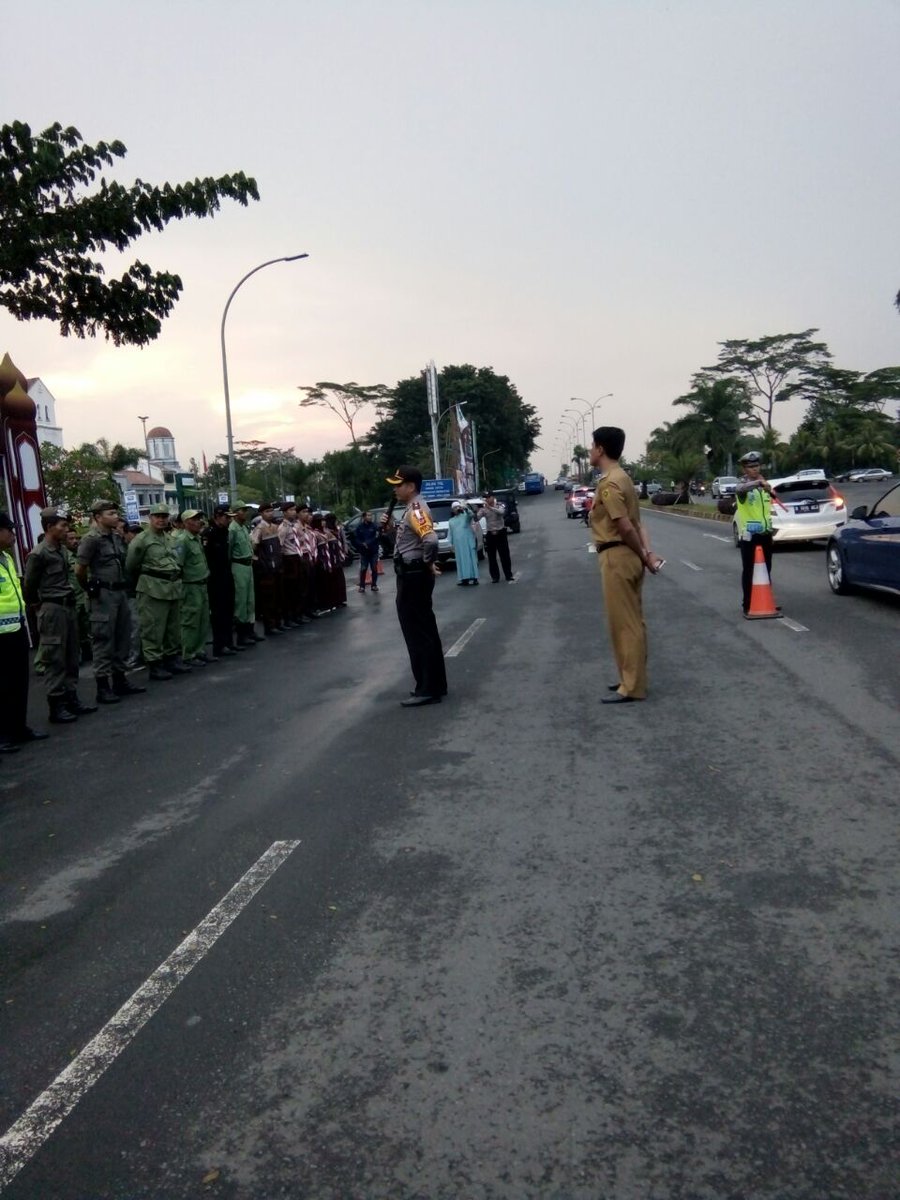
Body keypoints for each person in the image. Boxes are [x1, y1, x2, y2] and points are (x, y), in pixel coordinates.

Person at [588, 426, 664, 705]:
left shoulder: (609, 483)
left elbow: (624, 526)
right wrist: (647, 552)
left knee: (624, 624)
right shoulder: (624, 478)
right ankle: (630, 678)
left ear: (601, 449)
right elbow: (638, 523)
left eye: (592, 445)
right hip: (627, 556)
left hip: (617, 556)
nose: (590, 451)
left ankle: (632, 686)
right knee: (631, 620)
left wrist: (644, 554)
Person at [23, 508, 98, 723]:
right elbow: (29, 587)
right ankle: (56, 705)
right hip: (52, 609)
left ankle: (71, 697)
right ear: (49, 527)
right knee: (55, 658)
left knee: (71, 655)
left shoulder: (62, 551)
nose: (67, 530)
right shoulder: (39, 554)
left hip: (67, 607)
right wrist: (39, 605)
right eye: (62, 526)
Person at [382, 465, 447, 707]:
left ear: (411, 486)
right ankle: (433, 684)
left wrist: (429, 563)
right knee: (425, 630)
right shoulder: (411, 509)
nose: (395, 489)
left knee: (418, 633)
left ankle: (428, 688)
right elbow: (405, 543)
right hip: (411, 574)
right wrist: (388, 529)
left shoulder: (417, 509)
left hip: (413, 577)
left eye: (398, 485)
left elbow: (429, 539)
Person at [76, 499, 145, 704]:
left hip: (120, 593)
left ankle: (120, 680)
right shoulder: (91, 539)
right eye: (111, 513)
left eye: (116, 513)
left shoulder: (115, 537)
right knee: (103, 640)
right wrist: (89, 588)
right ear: (98, 517)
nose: (116, 516)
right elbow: (80, 570)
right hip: (103, 594)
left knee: (122, 637)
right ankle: (103, 687)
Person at [0, 511, 48, 750]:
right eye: (10, 530)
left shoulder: (6, 558)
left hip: (15, 629)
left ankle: (18, 727)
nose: (13, 534)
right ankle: (4, 734)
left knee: (18, 682)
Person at [126, 503, 189, 680]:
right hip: (152, 588)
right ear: (150, 518)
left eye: (164, 516)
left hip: (172, 587)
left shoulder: (169, 538)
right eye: (157, 516)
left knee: (172, 627)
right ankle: (154, 664)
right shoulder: (141, 539)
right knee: (153, 628)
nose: (161, 519)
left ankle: (172, 659)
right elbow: (131, 565)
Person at [734, 451, 777, 616]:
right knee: (749, 569)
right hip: (749, 535)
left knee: (767, 569)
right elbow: (740, 489)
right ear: (744, 469)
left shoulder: (764, 487)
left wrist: (765, 486)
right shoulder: (744, 487)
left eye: (756, 466)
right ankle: (748, 603)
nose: (754, 469)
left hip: (765, 533)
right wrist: (759, 483)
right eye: (750, 467)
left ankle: (765, 599)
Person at [174, 509, 213, 664]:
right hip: (190, 586)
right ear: (185, 523)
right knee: (190, 621)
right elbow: (178, 565)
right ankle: (188, 653)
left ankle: (199, 650)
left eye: (199, 519)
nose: (199, 522)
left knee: (203, 619)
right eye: (195, 519)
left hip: (202, 584)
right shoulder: (182, 540)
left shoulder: (196, 538)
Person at [203, 505, 238, 655]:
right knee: (218, 612)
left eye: (230, 517)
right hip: (215, 577)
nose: (229, 520)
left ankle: (228, 641)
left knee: (229, 609)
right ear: (217, 516)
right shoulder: (209, 533)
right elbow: (207, 557)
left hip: (226, 573)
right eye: (226, 517)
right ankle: (219, 645)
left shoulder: (225, 532)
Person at [250, 502, 285, 636]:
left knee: (277, 597)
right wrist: (261, 564)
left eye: (271, 511)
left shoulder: (276, 527)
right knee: (268, 599)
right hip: (266, 569)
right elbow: (253, 548)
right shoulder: (259, 529)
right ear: (261, 514)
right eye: (267, 511)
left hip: (276, 566)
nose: (270, 513)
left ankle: (277, 623)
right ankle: (269, 626)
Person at [229, 502, 258, 647]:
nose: (245, 513)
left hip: (248, 565)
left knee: (249, 600)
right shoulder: (232, 529)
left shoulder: (243, 527)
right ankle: (241, 635)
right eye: (243, 510)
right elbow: (229, 551)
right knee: (240, 601)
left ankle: (249, 630)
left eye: (246, 510)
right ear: (235, 512)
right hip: (238, 565)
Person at [479, 491, 515, 583]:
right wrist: (478, 509)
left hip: (501, 532)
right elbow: (478, 517)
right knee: (491, 557)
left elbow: (501, 512)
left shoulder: (499, 504)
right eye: (485, 497)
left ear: (492, 497)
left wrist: (490, 507)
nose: (487, 499)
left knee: (505, 555)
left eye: (488, 497)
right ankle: (495, 577)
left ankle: (508, 575)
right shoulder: (484, 508)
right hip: (490, 534)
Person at [277, 501, 303, 625]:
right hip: (288, 559)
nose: (294, 512)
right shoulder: (282, 528)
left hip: (297, 556)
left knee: (298, 588)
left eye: (294, 509)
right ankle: (289, 618)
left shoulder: (295, 526)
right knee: (290, 590)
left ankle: (297, 615)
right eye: (291, 510)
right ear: (285, 512)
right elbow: (280, 546)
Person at [447, 502, 480, 585]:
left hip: (467, 542)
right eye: (454, 508)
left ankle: (474, 577)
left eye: (457, 507)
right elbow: (450, 533)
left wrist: (465, 508)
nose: (456, 509)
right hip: (458, 545)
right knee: (460, 561)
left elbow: (471, 515)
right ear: (452, 510)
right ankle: (464, 579)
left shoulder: (466, 516)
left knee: (471, 559)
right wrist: (451, 545)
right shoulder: (451, 521)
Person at [354, 511, 381, 593]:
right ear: (364, 517)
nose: (370, 517)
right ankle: (362, 586)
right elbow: (356, 538)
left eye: (371, 515)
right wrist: (362, 544)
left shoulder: (374, 526)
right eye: (368, 515)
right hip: (364, 552)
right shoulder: (359, 527)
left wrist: (368, 543)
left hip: (373, 551)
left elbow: (377, 537)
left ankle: (374, 585)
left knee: (374, 568)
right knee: (363, 569)